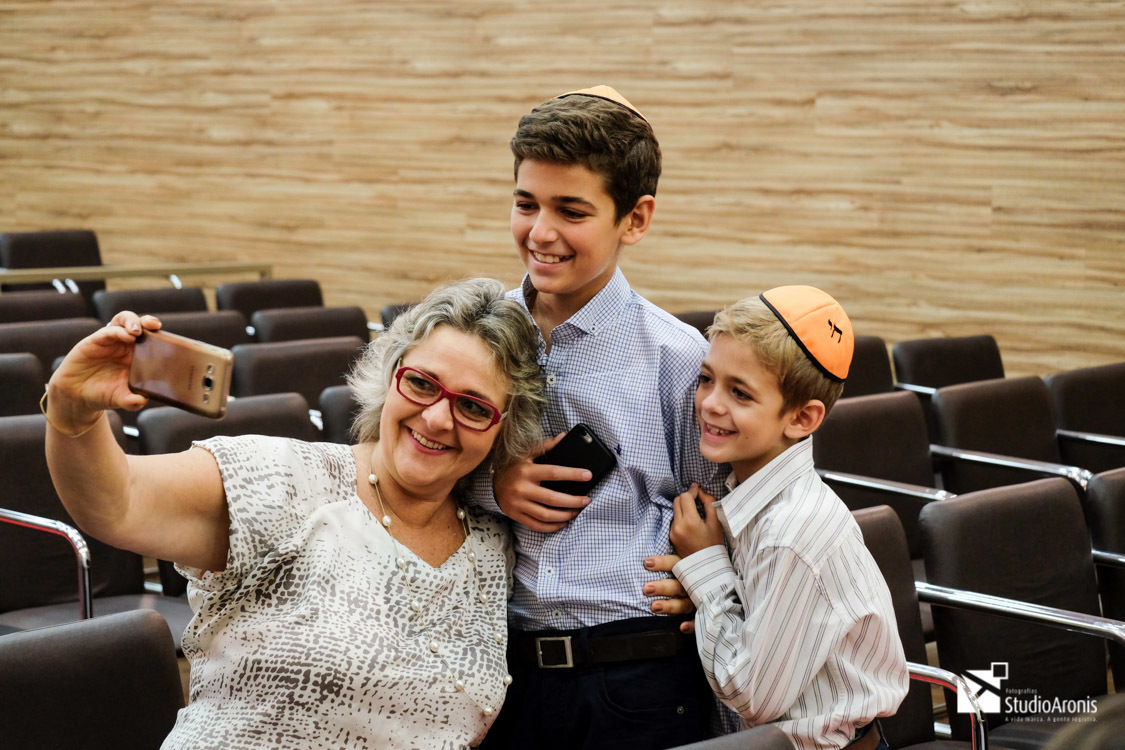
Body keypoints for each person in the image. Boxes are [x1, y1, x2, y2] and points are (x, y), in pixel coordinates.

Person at [42, 277, 545, 749]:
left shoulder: (490, 543)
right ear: (390, 376)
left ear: (506, 428)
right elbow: (119, 501)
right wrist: (73, 412)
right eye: (421, 383)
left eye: (474, 408)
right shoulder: (284, 479)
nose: (437, 417)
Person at [474, 86, 728, 749]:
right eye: (525, 203)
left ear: (634, 219)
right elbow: (402, 468)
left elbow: (714, 508)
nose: (541, 232)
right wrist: (492, 487)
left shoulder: (678, 357)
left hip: (636, 667)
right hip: (502, 666)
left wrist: (701, 574)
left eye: (572, 210)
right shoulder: (473, 336)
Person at [668, 286, 909, 750]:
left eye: (740, 393)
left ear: (801, 418)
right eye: (705, 379)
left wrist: (706, 565)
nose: (710, 404)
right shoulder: (756, 500)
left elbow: (754, 694)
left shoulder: (790, 532)